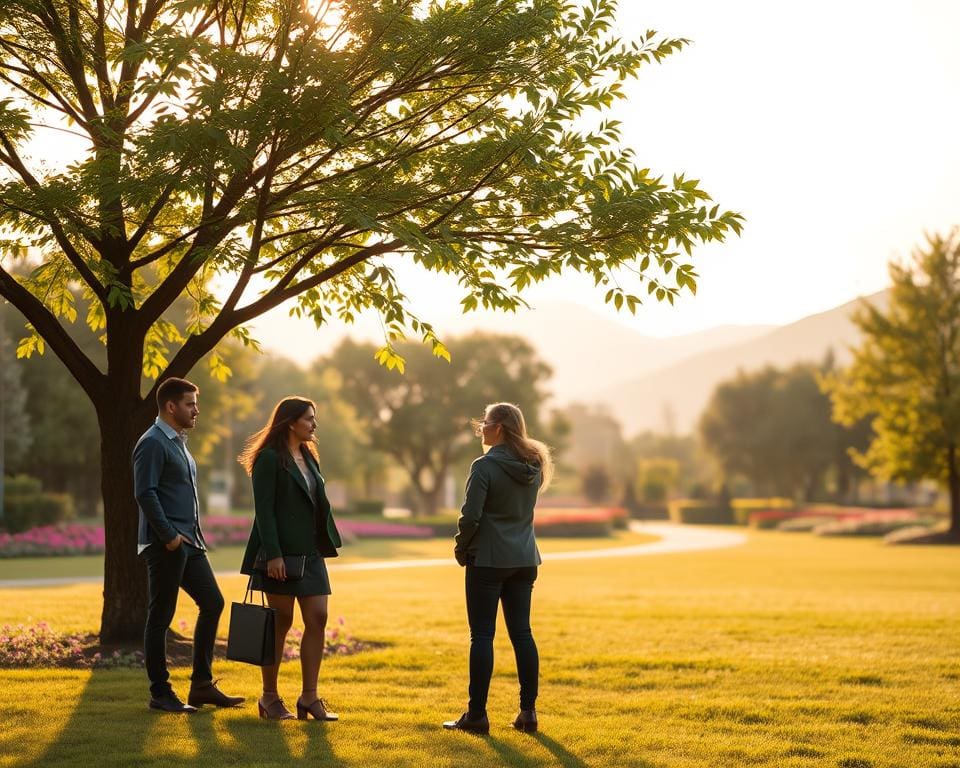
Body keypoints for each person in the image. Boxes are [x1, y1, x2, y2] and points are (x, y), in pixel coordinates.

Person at [133, 377, 243, 713]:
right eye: (190, 403)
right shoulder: (152, 442)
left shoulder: (178, 442)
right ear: (170, 406)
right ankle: (160, 693)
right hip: (166, 543)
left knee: (213, 602)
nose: (197, 410)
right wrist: (168, 536)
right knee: (161, 617)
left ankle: (201, 686)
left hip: (189, 542)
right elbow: (145, 492)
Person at [443, 402, 553, 735]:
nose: (481, 429)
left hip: (488, 560)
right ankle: (528, 713)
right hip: (524, 560)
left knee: (482, 635)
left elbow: (471, 516)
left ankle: (476, 715)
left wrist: (461, 548)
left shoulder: (485, 466)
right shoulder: (533, 464)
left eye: (484, 423)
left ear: (499, 428)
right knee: (522, 634)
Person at [239, 396, 343, 721]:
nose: (314, 424)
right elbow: (264, 511)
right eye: (309, 418)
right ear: (290, 422)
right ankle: (269, 698)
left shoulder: (309, 456)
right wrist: (273, 555)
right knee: (280, 623)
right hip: (279, 555)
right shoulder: (269, 459)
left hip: (310, 552)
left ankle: (309, 698)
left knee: (319, 617)